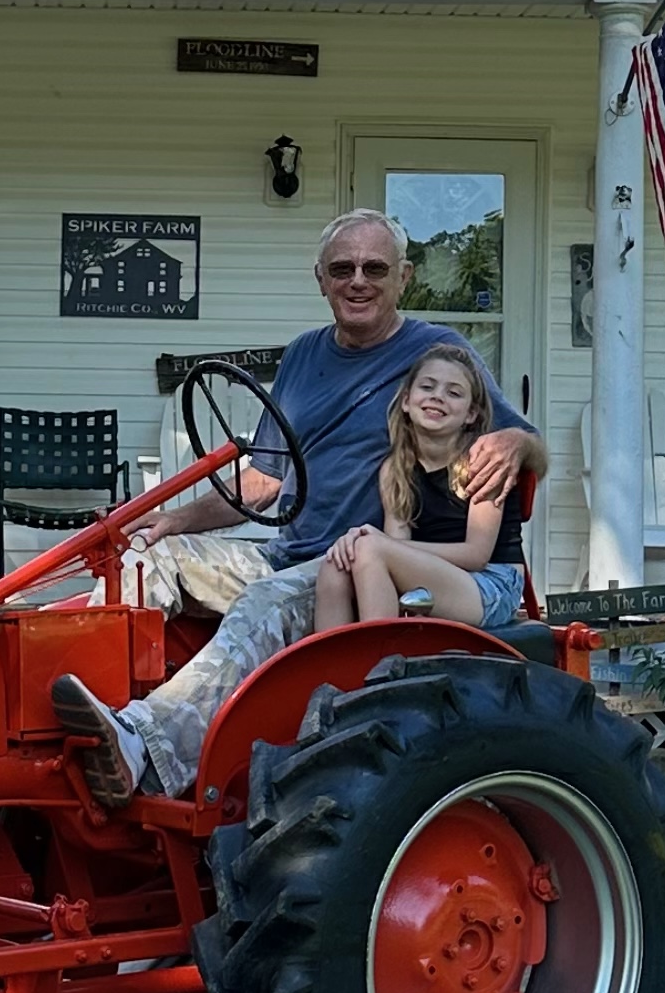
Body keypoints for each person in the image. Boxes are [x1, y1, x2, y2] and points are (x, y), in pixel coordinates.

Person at [50, 209, 544, 802]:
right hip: (284, 551)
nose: (357, 280)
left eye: (374, 268)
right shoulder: (304, 356)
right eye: (342, 268)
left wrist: (519, 441)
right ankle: (80, 714)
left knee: (264, 604)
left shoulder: (436, 354)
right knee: (145, 560)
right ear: (321, 278)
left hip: (345, 567)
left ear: (403, 277)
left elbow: (519, 445)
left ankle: (146, 751)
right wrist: (177, 521)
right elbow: (263, 479)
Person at [311, 342, 528, 635]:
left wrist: (375, 541)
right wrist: (363, 542)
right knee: (336, 564)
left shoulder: (484, 461)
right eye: (428, 387)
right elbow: (393, 545)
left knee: (369, 547)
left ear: (471, 414)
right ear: (405, 401)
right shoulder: (396, 467)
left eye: (453, 392)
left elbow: (476, 554)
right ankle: (331, 673)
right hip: (436, 576)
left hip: (491, 583)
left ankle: (381, 666)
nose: (438, 397)